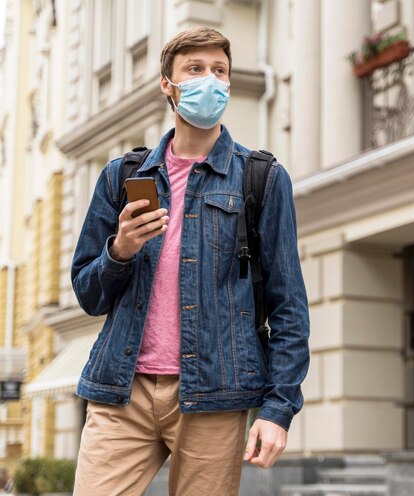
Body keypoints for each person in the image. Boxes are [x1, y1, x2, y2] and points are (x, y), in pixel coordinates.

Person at [71, 26, 310, 495]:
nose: (210, 80)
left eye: (219, 70)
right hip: (122, 389)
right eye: (195, 70)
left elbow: (289, 305)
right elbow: (87, 293)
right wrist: (119, 251)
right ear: (168, 84)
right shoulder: (122, 175)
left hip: (215, 393)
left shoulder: (262, 178)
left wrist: (279, 409)